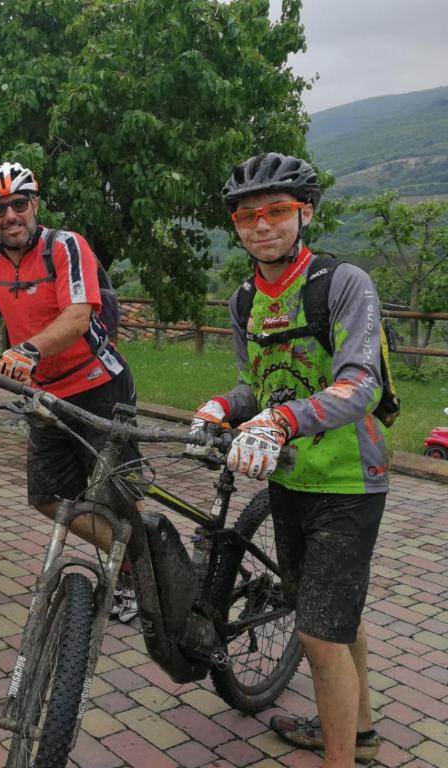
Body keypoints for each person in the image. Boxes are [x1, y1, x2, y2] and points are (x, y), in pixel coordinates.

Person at [188, 153, 386, 767]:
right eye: (246, 216)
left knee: (318, 636)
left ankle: (341, 761)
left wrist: (280, 420)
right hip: (287, 479)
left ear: (304, 213)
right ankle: (362, 731)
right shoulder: (245, 300)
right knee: (330, 613)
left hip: (350, 481)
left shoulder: (341, 283)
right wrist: (223, 404)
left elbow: (362, 384)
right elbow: (258, 384)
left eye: (275, 211)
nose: (261, 225)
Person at [0, 161, 138, 573]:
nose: (10, 216)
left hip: (99, 387)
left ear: (34, 204)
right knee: (47, 497)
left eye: (18, 203)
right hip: (45, 395)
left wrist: (28, 350)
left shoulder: (66, 246)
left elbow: (77, 316)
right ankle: (132, 563)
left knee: (120, 492)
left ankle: (145, 568)